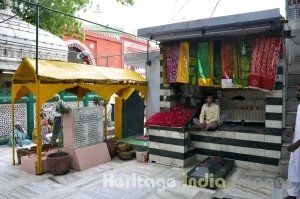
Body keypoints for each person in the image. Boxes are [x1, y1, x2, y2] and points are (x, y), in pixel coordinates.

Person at [285, 87, 300, 199]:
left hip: (298, 144)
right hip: (297, 142)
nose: (297, 92)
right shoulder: (299, 106)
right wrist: (293, 131)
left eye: (299, 91)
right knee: (295, 168)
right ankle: (292, 194)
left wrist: (296, 144)